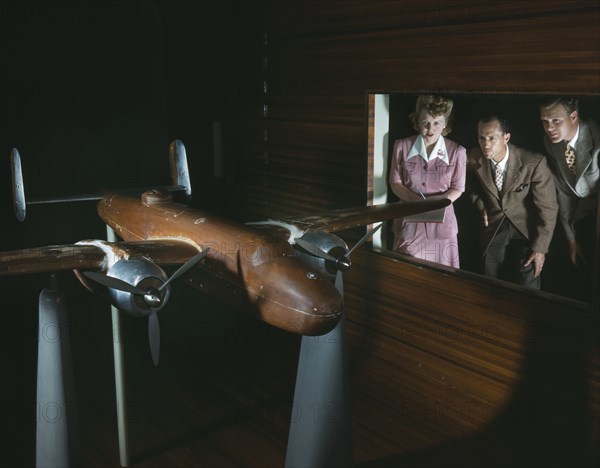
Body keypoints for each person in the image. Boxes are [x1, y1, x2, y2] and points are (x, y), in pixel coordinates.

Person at [467, 112, 558, 289]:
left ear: (506, 137)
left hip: (526, 226)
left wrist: (540, 248)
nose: (485, 144)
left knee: (529, 274)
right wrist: (480, 206)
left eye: (492, 138)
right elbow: (470, 188)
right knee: (489, 275)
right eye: (481, 138)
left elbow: (548, 207)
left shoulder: (534, 162)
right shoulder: (472, 157)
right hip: (494, 224)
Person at [388, 95, 466, 268]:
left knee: (442, 282)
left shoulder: (457, 151)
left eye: (437, 123)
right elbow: (395, 182)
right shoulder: (401, 146)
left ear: (445, 122)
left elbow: (458, 188)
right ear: (417, 121)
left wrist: (433, 205)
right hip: (408, 225)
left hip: (442, 229)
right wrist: (417, 203)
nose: (431, 128)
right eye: (425, 122)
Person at [539, 97, 599, 301]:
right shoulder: (551, 143)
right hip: (580, 215)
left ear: (573, 116)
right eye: (545, 121)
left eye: (556, 120)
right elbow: (564, 192)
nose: (549, 128)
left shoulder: (597, 138)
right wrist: (572, 240)